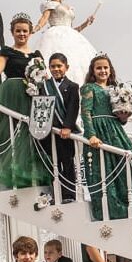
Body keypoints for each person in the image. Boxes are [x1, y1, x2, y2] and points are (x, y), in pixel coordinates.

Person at [80, 54, 132, 221]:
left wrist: (124, 116)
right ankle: (112, 208)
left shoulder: (116, 89)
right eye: (99, 68)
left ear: (110, 70)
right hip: (98, 130)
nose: (102, 71)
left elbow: (119, 119)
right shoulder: (89, 88)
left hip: (115, 131)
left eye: (105, 67)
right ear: (93, 71)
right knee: (105, 168)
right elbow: (86, 112)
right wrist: (91, 134)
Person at [0, 13, 50, 189]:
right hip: (12, 92)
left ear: (30, 33)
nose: (22, 34)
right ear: (12, 32)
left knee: (31, 131)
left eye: (25, 31)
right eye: (18, 31)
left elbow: (46, 76)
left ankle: (30, 174)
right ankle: (11, 173)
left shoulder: (36, 54)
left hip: (32, 94)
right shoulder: (6, 51)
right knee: (12, 130)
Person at [32, 0, 96, 86]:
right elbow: (44, 18)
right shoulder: (50, 4)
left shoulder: (69, 7)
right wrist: (34, 29)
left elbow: (72, 28)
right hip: (54, 36)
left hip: (71, 36)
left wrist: (86, 23)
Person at [41, 53, 80, 202]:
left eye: (59, 66)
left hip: (64, 132)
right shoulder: (44, 86)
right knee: (51, 163)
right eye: (53, 66)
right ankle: (54, 194)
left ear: (66, 67)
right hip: (49, 132)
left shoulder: (72, 86)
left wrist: (67, 126)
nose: (56, 69)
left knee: (67, 163)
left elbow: (73, 107)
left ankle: (69, 194)